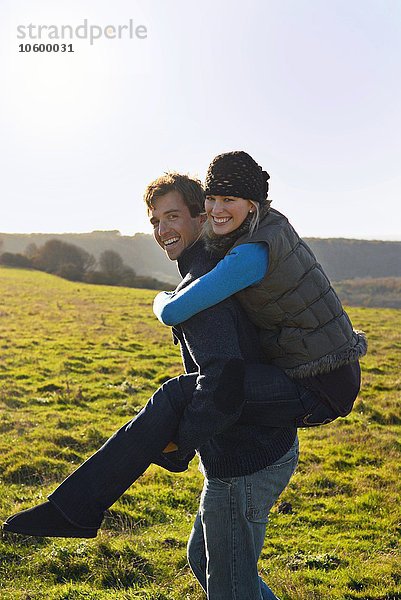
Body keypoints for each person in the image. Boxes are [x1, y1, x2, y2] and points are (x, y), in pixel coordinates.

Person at [4, 172, 302, 599]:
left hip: (246, 460)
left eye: (173, 216)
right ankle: (73, 509)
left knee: (231, 589)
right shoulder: (211, 271)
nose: (162, 231)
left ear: (202, 217)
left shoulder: (203, 290)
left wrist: (177, 442)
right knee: (204, 560)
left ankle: (73, 511)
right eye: (155, 221)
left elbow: (224, 386)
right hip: (247, 448)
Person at [153, 151, 367, 426]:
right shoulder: (270, 223)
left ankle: (178, 453)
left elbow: (173, 312)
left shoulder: (250, 255)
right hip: (335, 370)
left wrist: (161, 297)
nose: (216, 210)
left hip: (320, 386)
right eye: (212, 198)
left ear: (252, 204)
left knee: (195, 392)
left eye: (228, 199)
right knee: (205, 393)